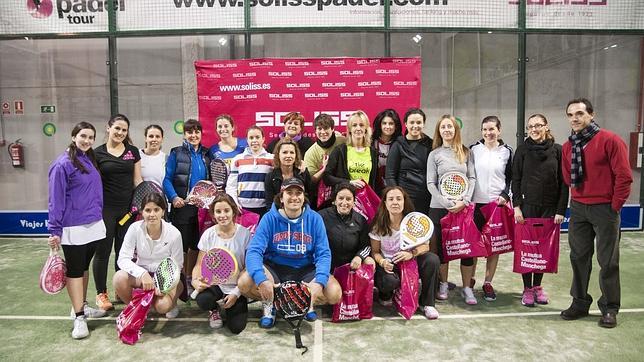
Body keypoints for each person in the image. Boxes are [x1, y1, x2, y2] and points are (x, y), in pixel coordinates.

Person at [560, 98, 632, 328]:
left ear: (591, 115)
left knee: (607, 261)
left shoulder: (610, 140)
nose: (575, 118)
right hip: (579, 208)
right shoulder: (568, 146)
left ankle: (610, 307)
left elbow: (624, 176)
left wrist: (615, 206)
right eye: (571, 115)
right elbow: (566, 176)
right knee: (578, 257)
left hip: (605, 209)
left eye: (579, 113)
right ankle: (579, 303)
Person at [238, 177, 342, 328]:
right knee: (244, 282)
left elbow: (324, 254)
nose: (294, 197)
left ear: (303, 197)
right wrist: (261, 280)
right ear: (281, 197)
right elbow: (254, 251)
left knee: (334, 294)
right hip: (274, 269)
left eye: (298, 193)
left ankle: (306, 303)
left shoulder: (315, 219)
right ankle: (270, 304)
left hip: (305, 269)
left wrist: (319, 282)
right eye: (289, 193)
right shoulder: (269, 218)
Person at [48, 122, 108, 339]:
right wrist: (54, 229)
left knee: (83, 267)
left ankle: (80, 305)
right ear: (74, 136)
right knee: (74, 270)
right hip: (73, 227)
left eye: (91, 137)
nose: (87, 140)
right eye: (83, 136)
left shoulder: (88, 158)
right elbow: (55, 199)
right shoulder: (62, 164)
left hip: (93, 224)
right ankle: (79, 318)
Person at [512, 114, 568, 307]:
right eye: (530, 127)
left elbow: (563, 183)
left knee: (542, 249)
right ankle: (527, 288)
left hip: (550, 208)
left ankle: (538, 287)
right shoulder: (522, 151)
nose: (534, 129)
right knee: (528, 248)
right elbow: (516, 180)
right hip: (527, 208)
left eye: (538, 126)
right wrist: (517, 207)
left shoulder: (558, 151)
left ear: (546, 126)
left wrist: (561, 210)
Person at [93, 114, 143, 311]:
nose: (121, 133)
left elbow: (137, 181)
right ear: (108, 128)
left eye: (124, 130)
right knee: (103, 252)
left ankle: (119, 288)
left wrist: (140, 206)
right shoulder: (96, 154)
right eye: (117, 129)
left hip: (128, 212)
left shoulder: (133, 152)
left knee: (124, 253)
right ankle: (101, 294)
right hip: (105, 211)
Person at [426, 114, 477, 305]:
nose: (447, 130)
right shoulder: (434, 154)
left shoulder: (466, 152)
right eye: (443, 127)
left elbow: (472, 178)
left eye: (450, 127)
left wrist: (464, 201)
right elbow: (430, 183)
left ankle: (467, 288)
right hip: (439, 209)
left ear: (456, 130)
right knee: (441, 250)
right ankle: (443, 284)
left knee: (466, 250)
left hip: (463, 209)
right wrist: (447, 203)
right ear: (439, 131)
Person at [369, 186, 441, 319]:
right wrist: (383, 262)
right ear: (385, 203)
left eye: (398, 199)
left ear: (404, 202)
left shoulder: (413, 222)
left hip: (410, 262)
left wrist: (411, 254)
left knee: (432, 260)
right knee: (388, 283)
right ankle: (387, 294)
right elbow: (375, 252)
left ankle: (427, 304)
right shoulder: (378, 225)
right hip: (389, 265)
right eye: (391, 199)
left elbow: (425, 247)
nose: (395, 202)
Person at [112, 193, 184, 319]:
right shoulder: (134, 228)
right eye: (148, 210)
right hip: (143, 275)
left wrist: (163, 284)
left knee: (162, 307)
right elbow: (122, 259)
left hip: (166, 276)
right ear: (142, 212)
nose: (152, 214)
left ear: (163, 211)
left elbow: (177, 265)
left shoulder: (174, 233)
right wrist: (142, 274)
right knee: (119, 278)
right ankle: (139, 308)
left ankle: (173, 302)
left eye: (156, 210)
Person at [163, 119, 211, 295]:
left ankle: (191, 278)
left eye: (197, 132)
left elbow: (211, 180)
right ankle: (178, 281)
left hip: (202, 210)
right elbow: (167, 179)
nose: (193, 135)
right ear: (184, 134)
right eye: (190, 132)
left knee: (197, 246)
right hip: (181, 208)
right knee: (180, 247)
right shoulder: (176, 153)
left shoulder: (207, 154)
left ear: (201, 134)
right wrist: (174, 197)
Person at [192, 193, 251, 333]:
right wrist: (195, 281)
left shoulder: (245, 234)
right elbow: (199, 265)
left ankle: (235, 302)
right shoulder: (208, 234)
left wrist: (237, 293)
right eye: (218, 211)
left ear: (233, 211)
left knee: (236, 328)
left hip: (237, 286)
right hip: (215, 283)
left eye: (226, 210)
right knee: (203, 300)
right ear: (213, 214)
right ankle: (213, 309)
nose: (222, 215)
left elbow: (248, 269)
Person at [469, 116, 513, 302]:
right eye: (485, 129)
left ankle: (487, 282)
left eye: (492, 129)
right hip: (475, 204)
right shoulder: (473, 150)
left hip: (497, 205)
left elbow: (511, 177)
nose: (488, 133)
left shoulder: (507, 151)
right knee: (474, 246)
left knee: (493, 247)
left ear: (499, 130)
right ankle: (469, 280)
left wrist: (505, 195)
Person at [385, 108, 433, 215]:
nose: (415, 126)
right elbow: (390, 175)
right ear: (406, 124)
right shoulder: (398, 144)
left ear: (424, 124)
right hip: (405, 197)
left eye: (419, 122)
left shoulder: (431, 144)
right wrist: (397, 197)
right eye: (412, 122)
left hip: (426, 196)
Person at [318, 182, 374, 271]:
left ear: (354, 202)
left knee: (369, 262)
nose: (344, 202)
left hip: (351, 264)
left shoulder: (360, 220)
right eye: (341, 198)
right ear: (334, 201)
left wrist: (359, 257)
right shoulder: (321, 216)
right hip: (326, 263)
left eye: (348, 199)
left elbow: (366, 246)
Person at [226, 126, 274, 217]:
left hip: (265, 208)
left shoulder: (272, 159)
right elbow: (231, 186)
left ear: (263, 139)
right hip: (243, 208)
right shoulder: (237, 159)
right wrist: (234, 203)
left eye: (257, 137)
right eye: (251, 138)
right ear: (247, 140)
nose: (254, 140)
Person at [324, 110, 378, 191]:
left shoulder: (373, 152)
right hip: (345, 199)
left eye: (361, 125)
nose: (358, 128)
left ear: (366, 129)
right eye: (354, 125)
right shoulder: (340, 151)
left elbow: (375, 181)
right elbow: (326, 177)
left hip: (365, 200)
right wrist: (349, 182)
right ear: (349, 129)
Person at [303, 113, 346, 209]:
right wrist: (324, 169)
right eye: (319, 129)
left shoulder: (343, 141)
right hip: (322, 198)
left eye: (326, 128)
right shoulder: (311, 153)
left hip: (344, 190)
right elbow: (311, 180)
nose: (323, 132)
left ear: (332, 129)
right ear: (315, 131)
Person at [265, 138, 313, 206]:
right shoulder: (270, 177)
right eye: (284, 152)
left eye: (292, 152)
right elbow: (269, 203)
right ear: (278, 155)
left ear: (296, 155)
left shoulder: (303, 173)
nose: (288, 156)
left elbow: (309, 198)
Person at [372, 109, 403, 192]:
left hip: (394, 185)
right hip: (374, 186)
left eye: (391, 123)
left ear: (396, 126)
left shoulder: (400, 144)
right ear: (380, 125)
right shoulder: (371, 142)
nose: (388, 127)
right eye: (384, 123)